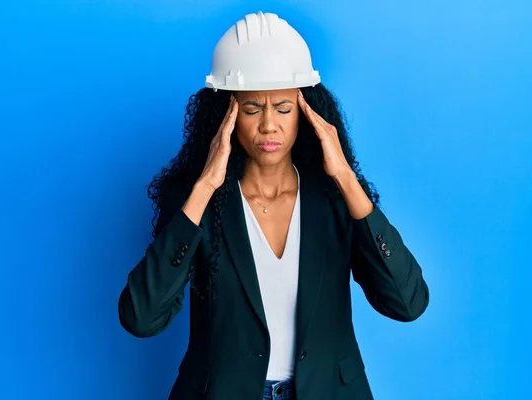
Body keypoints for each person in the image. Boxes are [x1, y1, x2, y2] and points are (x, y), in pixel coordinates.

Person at [118, 11, 429, 400]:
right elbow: (141, 318)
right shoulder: (201, 207)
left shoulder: (334, 200)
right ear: (225, 115)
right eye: (251, 109)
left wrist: (347, 179)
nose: (269, 125)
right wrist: (203, 187)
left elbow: (408, 302)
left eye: (283, 108)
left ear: (306, 113)